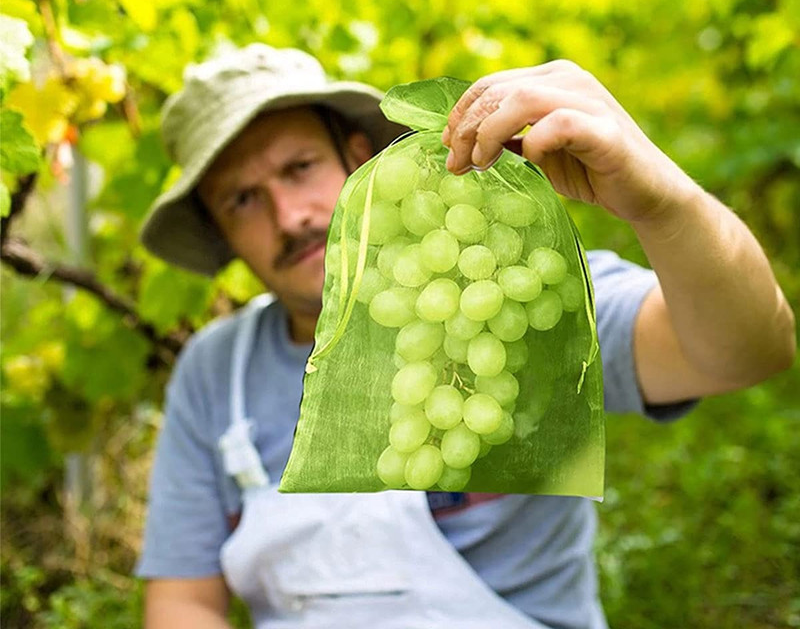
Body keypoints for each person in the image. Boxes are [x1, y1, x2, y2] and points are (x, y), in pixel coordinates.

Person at [136, 44, 795, 629]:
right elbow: (184, 600)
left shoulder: (511, 297)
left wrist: (661, 202)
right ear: (221, 233)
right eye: (242, 200)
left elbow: (750, 351)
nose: (289, 216)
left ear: (358, 156)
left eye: (300, 167)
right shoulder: (214, 371)